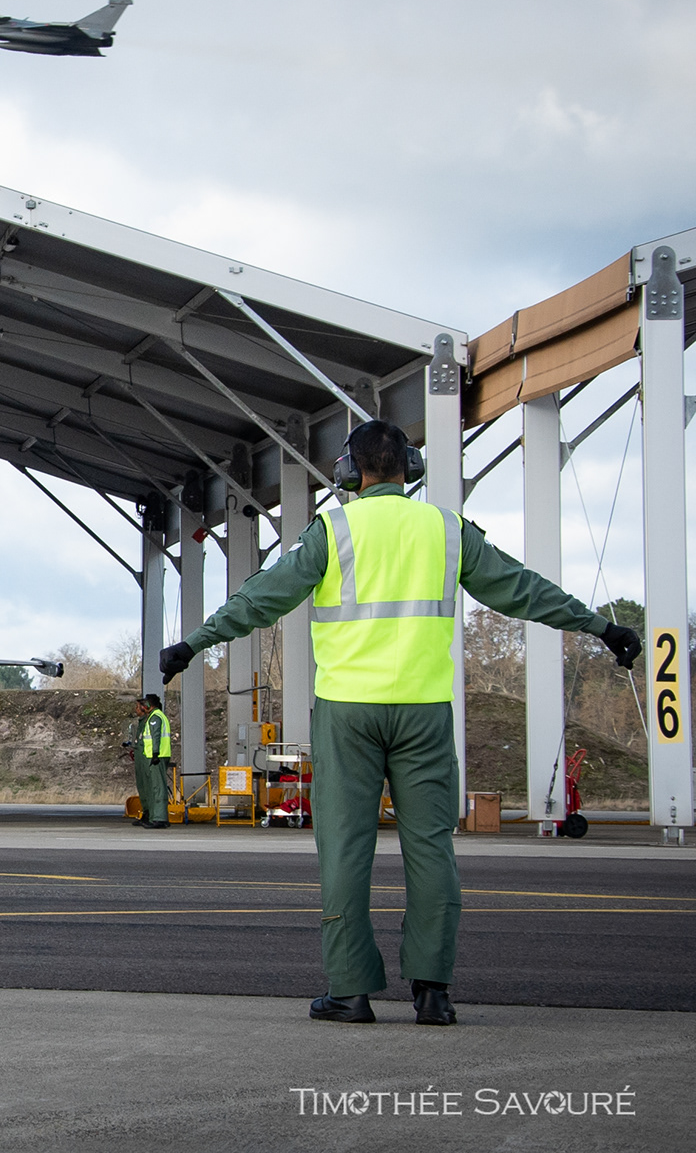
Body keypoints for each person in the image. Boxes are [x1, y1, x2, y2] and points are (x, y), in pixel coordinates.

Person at [158, 420, 640, 1027]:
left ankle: (350, 992)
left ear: (349, 471)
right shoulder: (445, 528)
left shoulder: (333, 529)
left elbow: (262, 597)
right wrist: (601, 627)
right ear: (408, 467)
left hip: (347, 713)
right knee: (432, 848)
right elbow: (520, 589)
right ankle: (433, 993)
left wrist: (195, 643)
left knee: (344, 849)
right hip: (425, 711)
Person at [125, 694, 172, 829]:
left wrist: (156, 754)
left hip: (156, 756)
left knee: (157, 787)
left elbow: (156, 736)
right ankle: (153, 816)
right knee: (152, 787)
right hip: (152, 755)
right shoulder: (152, 717)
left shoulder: (155, 717)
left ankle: (159, 818)